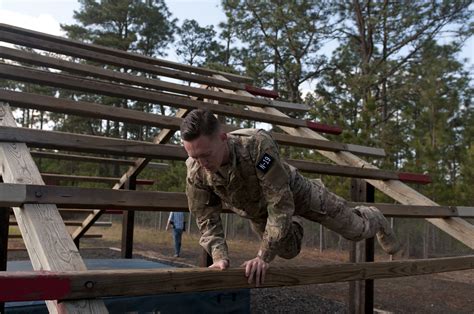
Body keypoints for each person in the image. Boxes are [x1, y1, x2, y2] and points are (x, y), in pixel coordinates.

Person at [182, 108, 400, 287]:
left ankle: (375, 217)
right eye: (194, 156)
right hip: (260, 212)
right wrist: (220, 257)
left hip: (297, 192)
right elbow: (206, 218)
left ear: (222, 138)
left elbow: (279, 201)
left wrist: (262, 257)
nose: (202, 162)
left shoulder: (256, 145)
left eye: (206, 155)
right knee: (289, 251)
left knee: (356, 230)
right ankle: (292, 222)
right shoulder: (195, 170)